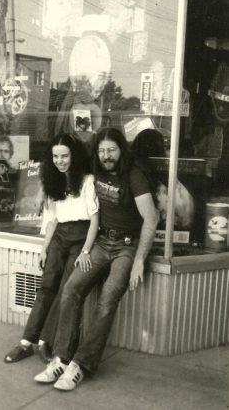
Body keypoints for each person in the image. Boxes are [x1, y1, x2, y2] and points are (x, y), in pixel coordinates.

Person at [34, 127, 159, 390]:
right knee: (70, 290)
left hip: (126, 247)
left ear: (121, 149)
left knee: (107, 299)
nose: (106, 155)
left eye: (111, 149)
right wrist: (42, 191)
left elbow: (152, 218)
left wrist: (139, 260)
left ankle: (81, 364)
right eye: (102, 150)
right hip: (101, 242)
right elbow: (63, 164)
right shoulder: (94, 169)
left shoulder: (133, 175)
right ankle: (60, 359)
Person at [4, 133, 99, 364]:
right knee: (46, 286)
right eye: (55, 156)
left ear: (73, 156)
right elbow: (53, 219)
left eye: (64, 156)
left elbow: (95, 220)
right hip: (59, 236)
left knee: (65, 288)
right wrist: (44, 247)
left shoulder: (87, 181)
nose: (60, 161)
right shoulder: (52, 180)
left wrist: (86, 250)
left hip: (80, 238)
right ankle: (27, 342)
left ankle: (46, 341)